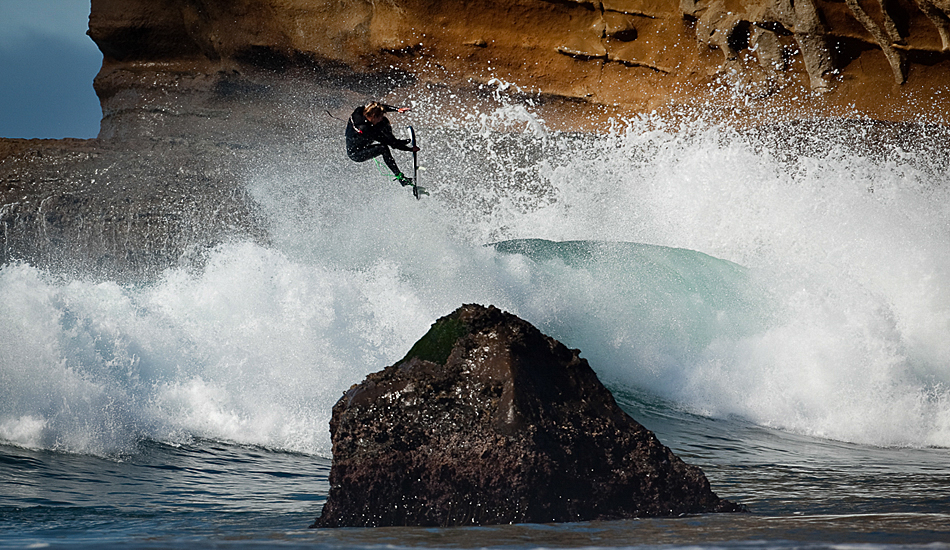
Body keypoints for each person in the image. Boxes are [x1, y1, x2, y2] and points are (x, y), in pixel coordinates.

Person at [345, 102, 418, 186]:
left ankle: (397, 141)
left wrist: (397, 109)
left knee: (384, 122)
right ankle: (400, 178)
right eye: (380, 116)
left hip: (363, 139)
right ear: (373, 116)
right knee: (383, 148)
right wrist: (409, 149)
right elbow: (388, 142)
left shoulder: (360, 110)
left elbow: (376, 107)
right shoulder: (366, 129)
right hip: (356, 153)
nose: (382, 118)